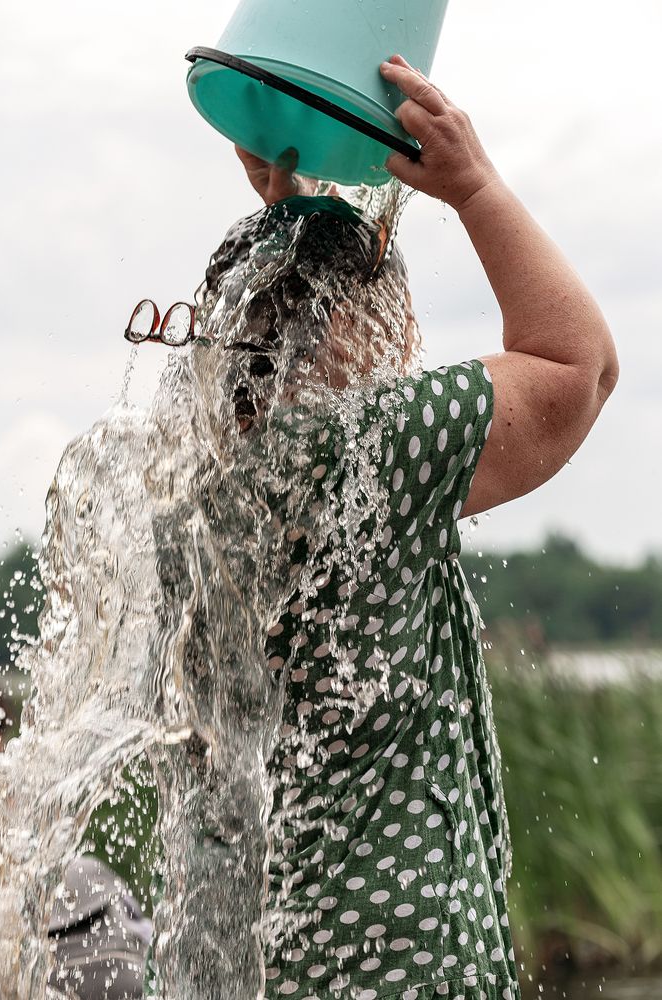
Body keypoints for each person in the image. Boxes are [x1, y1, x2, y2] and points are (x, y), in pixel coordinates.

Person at [229, 53, 619, 1000]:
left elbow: (279, 323)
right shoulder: (376, 451)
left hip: (285, 950)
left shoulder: (213, 476)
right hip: (408, 960)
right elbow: (581, 365)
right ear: (354, 325)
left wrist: (292, 201)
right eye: (391, 305)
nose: (407, 339)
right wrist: (473, 187)